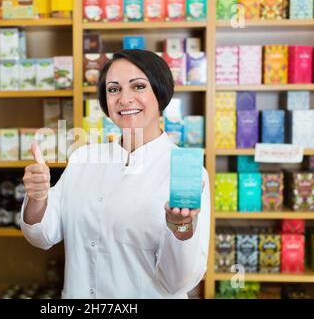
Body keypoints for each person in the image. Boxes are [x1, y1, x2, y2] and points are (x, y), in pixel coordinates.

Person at [21, 49, 211, 299]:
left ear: (160, 92)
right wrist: (37, 197)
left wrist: (180, 230)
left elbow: (178, 283)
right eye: (113, 89)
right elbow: (43, 235)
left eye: (139, 86)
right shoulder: (83, 158)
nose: (125, 99)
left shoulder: (184, 170)